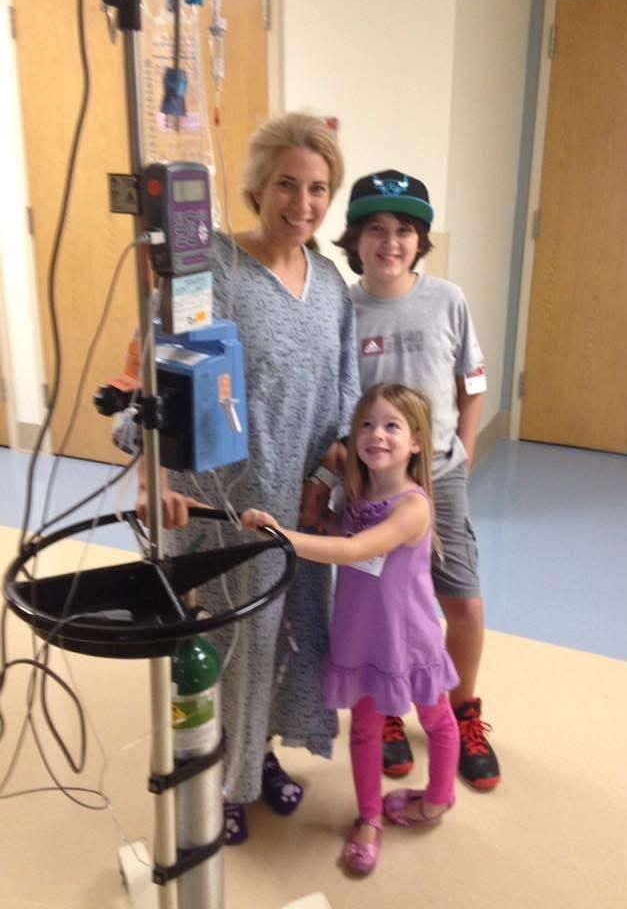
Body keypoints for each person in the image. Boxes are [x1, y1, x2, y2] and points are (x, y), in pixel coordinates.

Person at [136, 112, 360, 843]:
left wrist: (328, 479)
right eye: (287, 184)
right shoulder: (213, 271)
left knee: (288, 634)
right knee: (232, 641)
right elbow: (157, 377)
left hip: (295, 503)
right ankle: (218, 778)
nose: (303, 202)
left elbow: (343, 397)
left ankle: (256, 753)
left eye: (319, 188)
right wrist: (155, 477)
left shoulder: (330, 285)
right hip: (223, 500)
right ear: (258, 186)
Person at [242, 383, 460, 875]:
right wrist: (313, 512)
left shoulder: (413, 507)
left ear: (416, 443)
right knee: (363, 731)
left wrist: (282, 536)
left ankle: (438, 799)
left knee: (436, 719)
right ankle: (369, 818)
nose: (376, 435)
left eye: (391, 426)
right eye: (366, 424)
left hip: (410, 640)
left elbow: (355, 550)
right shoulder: (358, 502)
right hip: (361, 639)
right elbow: (340, 531)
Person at [333, 170, 500, 791]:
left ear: (420, 239)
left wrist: (466, 448)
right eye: (376, 228)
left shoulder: (446, 299)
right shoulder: (341, 307)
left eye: (404, 229)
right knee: (381, 605)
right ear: (356, 239)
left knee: (460, 599)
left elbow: (472, 381)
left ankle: (462, 712)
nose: (390, 242)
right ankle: (390, 708)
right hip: (371, 482)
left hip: (441, 475)